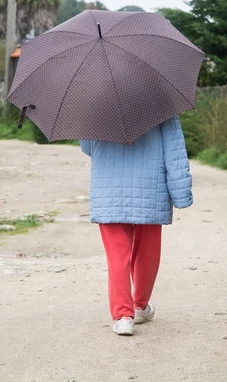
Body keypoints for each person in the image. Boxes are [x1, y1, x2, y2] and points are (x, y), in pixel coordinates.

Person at [79, 115, 193, 336]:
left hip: (108, 188)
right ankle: (139, 305)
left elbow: (88, 146)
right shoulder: (161, 101)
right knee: (147, 251)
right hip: (149, 188)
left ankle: (123, 317)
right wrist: (181, 194)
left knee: (117, 255)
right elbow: (174, 150)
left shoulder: (95, 101)